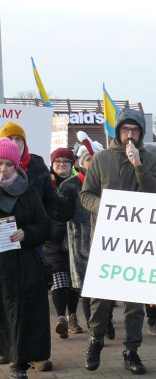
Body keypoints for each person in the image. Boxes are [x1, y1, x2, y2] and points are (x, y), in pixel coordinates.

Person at [79, 107, 156, 375]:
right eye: (126, 130)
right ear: (118, 132)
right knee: (101, 297)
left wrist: (138, 164)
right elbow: (86, 195)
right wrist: (104, 207)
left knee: (134, 300)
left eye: (135, 130)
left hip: (138, 239)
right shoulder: (102, 159)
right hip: (106, 239)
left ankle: (132, 350)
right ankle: (96, 340)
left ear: (141, 134)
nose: (130, 135)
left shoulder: (149, 159)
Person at [0, 137, 52, 379]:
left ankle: (18, 373)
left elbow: (45, 226)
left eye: (8, 164)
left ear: (17, 165)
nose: (3, 169)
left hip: (24, 266)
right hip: (1, 269)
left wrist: (26, 233)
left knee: (24, 318)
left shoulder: (28, 190)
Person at [59, 139, 101, 332]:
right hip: (80, 241)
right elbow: (62, 214)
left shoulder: (107, 183)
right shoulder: (70, 185)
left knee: (103, 286)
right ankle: (93, 326)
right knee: (87, 287)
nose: (92, 163)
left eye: (96, 159)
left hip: (104, 240)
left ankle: (105, 321)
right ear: (81, 162)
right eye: (89, 159)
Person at [44, 148, 80, 346]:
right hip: (52, 239)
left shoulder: (78, 182)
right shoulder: (46, 183)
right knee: (59, 279)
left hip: (74, 237)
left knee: (74, 281)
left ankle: (73, 316)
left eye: (66, 161)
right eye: (58, 161)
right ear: (52, 163)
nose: (62, 165)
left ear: (72, 163)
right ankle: (61, 318)